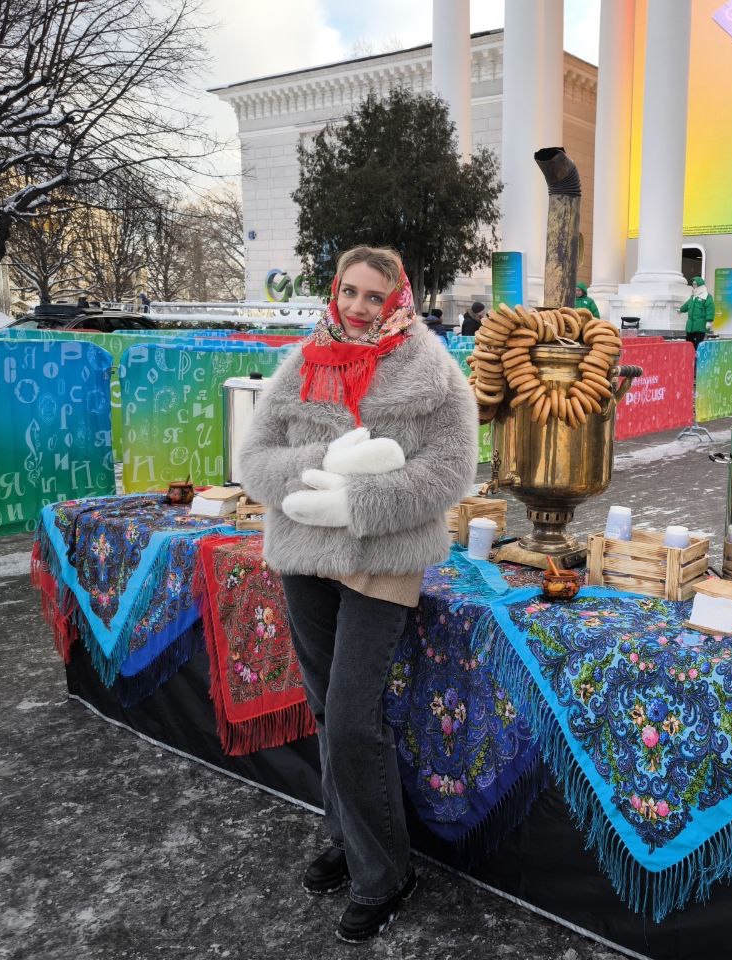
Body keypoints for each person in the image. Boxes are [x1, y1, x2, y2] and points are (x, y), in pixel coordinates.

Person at [238, 246, 477, 944]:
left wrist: (360, 500)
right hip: (304, 553)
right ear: (333, 291)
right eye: (350, 291)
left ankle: (386, 873)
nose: (360, 307)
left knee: (351, 718)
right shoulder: (302, 361)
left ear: (399, 297)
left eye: (375, 296)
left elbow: (450, 471)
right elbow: (253, 460)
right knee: (321, 707)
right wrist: (320, 476)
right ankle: (346, 838)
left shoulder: (432, 369)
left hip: (383, 560)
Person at [678, 276, 714, 348]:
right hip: (691, 325)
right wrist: (681, 309)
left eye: (695, 284)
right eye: (693, 284)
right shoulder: (693, 296)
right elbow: (688, 304)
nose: (693, 285)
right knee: (689, 341)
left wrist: (709, 321)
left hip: (700, 325)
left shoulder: (707, 296)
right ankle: (692, 354)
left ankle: (698, 356)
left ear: (700, 285)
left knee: (699, 343)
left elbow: (710, 308)